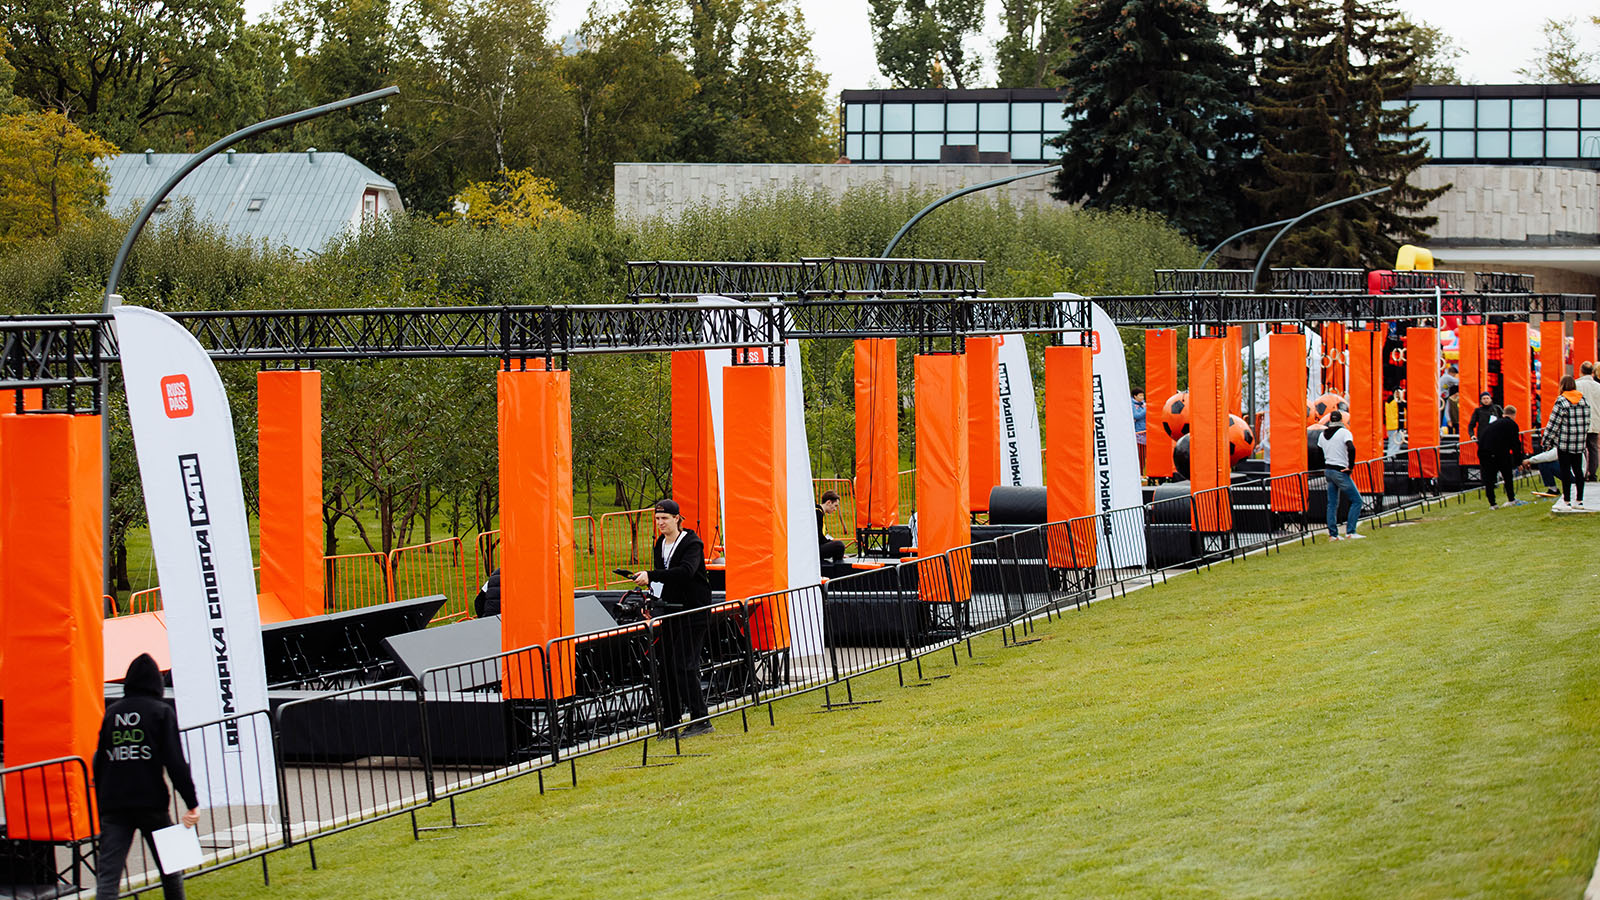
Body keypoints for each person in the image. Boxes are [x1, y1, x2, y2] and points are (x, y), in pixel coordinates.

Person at [95, 653, 200, 900]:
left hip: (114, 804)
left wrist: (102, 801)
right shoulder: (160, 712)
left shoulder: (112, 713)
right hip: (151, 801)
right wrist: (191, 802)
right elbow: (175, 762)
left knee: (108, 878)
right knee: (170, 868)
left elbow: (100, 760)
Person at [632, 499, 714, 736]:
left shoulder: (692, 543)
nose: (660, 523)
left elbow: (686, 572)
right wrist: (652, 599)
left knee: (684, 664)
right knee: (666, 665)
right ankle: (671, 721)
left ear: (677, 518)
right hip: (670, 611)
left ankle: (701, 719)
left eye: (665, 518)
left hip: (693, 612)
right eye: (657, 519)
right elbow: (663, 579)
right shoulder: (660, 544)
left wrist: (652, 575)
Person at [1543, 374, 1591, 511]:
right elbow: (1587, 420)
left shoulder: (1561, 401)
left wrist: (1546, 440)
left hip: (1564, 442)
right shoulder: (1583, 400)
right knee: (1578, 471)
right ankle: (1579, 500)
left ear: (1562, 386)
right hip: (1579, 442)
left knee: (1565, 471)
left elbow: (1553, 423)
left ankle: (1567, 501)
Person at [1317, 409, 1364, 541]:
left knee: (1332, 503)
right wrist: (1350, 466)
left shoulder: (1322, 434)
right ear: (1341, 420)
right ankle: (1351, 531)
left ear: (1330, 420)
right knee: (1357, 500)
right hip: (1340, 470)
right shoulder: (1344, 432)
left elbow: (1319, 452)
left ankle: (1333, 534)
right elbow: (1351, 448)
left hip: (1329, 470)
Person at [1478, 404, 1525, 508]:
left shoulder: (1493, 424)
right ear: (1514, 415)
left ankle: (1493, 504)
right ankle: (1511, 499)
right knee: (1507, 476)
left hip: (1485, 453)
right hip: (1500, 453)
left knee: (1489, 480)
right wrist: (1518, 462)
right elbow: (1515, 444)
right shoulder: (1512, 424)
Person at [1576, 361, 1600, 481]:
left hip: (1580, 421)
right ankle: (1593, 473)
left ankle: (1583, 472)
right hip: (1595, 420)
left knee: (1581, 448)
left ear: (1581, 371)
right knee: (1593, 448)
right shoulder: (1598, 386)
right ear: (1592, 372)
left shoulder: (1576, 385)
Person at [815, 490, 845, 563]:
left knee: (836, 545)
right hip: (814, 549)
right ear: (828, 502)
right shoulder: (817, 513)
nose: (835, 509)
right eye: (835, 506)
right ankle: (838, 566)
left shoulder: (819, 512)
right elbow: (819, 537)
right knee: (839, 546)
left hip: (816, 546)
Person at [1132, 389, 1148, 473]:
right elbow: (1136, 415)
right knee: (1139, 454)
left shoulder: (1143, 404)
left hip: (1145, 432)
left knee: (1144, 455)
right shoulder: (1132, 405)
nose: (1142, 397)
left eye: (1143, 395)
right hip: (1138, 433)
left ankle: (1142, 472)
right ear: (1135, 396)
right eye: (1140, 395)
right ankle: (1139, 472)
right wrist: (1145, 410)